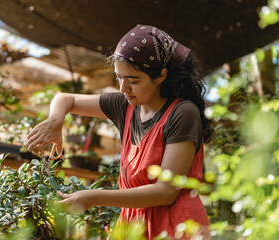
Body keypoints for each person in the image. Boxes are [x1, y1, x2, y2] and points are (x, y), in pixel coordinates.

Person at [27, 24, 214, 240]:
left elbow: (165, 192)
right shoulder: (124, 106)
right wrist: (56, 120)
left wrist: (93, 197)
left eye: (133, 80)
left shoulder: (182, 113)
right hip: (133, 226)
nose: (123, 87)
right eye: (119, 77)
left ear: (161, 75)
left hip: (176, 227)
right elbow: (64, 99)